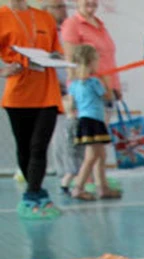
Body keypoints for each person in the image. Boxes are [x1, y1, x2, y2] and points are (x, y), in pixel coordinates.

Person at [0, 0, 64, 219]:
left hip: (47, 92)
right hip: (18, 93)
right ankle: (36, 192)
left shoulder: (45, 17)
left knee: (39, 146)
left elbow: (57, 50)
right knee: (25, 147)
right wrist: (3, 70)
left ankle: (32, 194)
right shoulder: (2, 16)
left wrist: (56, 58)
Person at [67, 44, 119, 201]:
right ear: (91, 63)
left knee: (101, 155)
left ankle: (103, 187)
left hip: (84, 120)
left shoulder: (74, 85)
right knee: (91, 157)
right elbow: (108, 97)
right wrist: (106, 82)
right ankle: (78, 187)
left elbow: (71, 105)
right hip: (94, 122)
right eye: (96, 60)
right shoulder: (94, 83)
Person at [43, 0, 83, 197]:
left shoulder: (71, 30)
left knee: (77, 133)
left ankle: (81, 174)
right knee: (59, 136)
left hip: (74, 88)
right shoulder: (42, 33)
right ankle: (65, 174)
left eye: (64, 6)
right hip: (52, 91)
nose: (63, 10)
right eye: (58, 7)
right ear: (46, 10)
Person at [61, 0, 120, 103]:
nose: (91, 1)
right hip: (89, 92)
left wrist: (115, 86)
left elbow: (108, 60)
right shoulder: (72, 24)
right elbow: (71, 62)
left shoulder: (100, 24)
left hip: (108, 90)